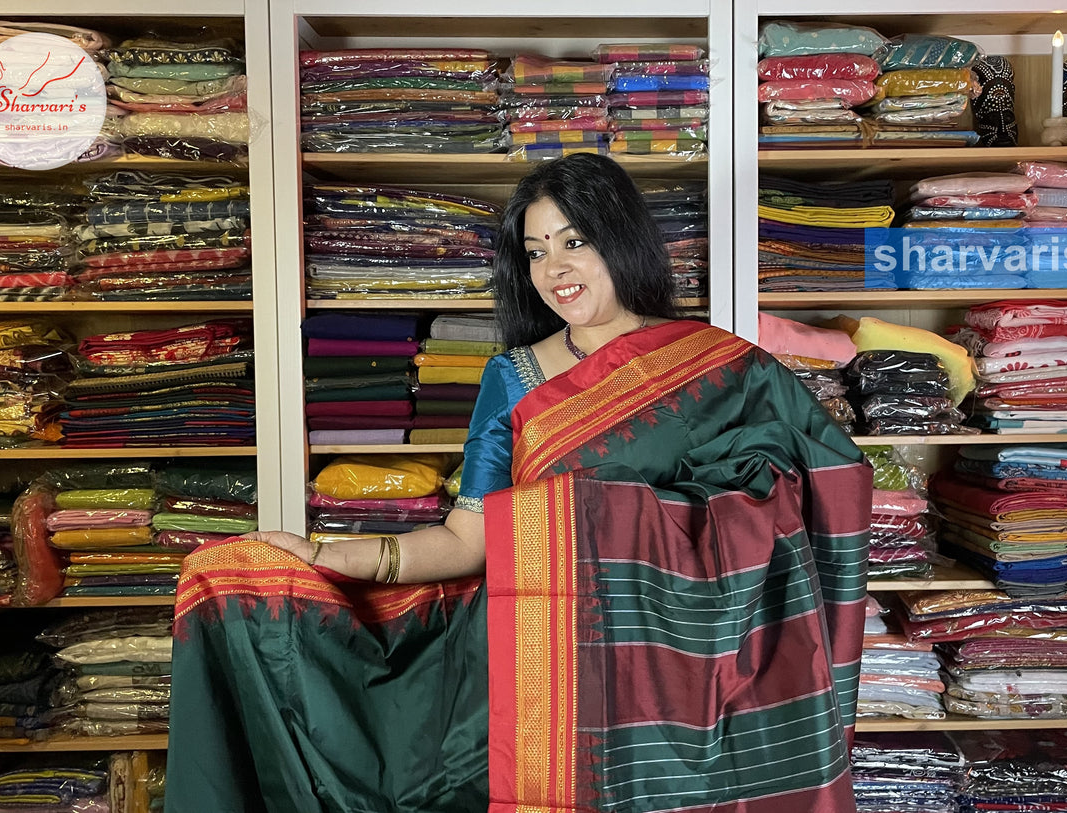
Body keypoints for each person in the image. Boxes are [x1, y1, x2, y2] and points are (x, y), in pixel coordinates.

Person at [167, 154, 872, 813]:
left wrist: (597, 516)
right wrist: (330, 556)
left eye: (573, 243)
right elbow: (468, 537)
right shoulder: (513, 376)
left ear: (620, 240)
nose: (555, 269)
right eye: (536, 252)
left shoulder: (723, 367)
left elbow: (812, 491)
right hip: (543, 675)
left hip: (689, 675)